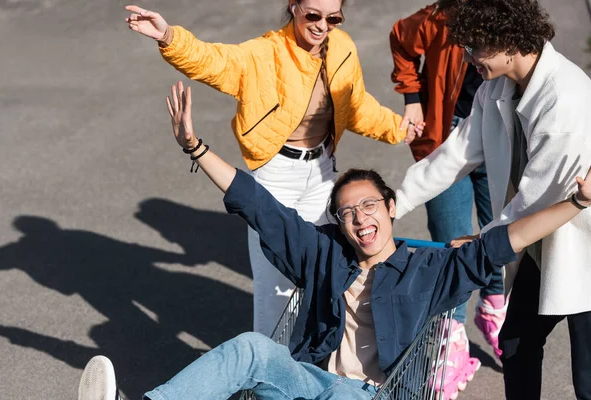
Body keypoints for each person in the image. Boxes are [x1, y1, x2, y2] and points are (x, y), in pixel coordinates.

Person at [77, 82, 591, 400]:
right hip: (306, 381)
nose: (359, 218)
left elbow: (507, 240)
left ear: (391, 209)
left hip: (369, 395)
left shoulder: (429, 271)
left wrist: (578, 204)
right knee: (253, 349)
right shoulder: (324, 255)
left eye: (369, 205)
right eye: (346, 212)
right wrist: (195, 145)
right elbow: (259, 205)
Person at [124, 1, 421, 336]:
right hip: (276, 175)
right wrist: (168, 36)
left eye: (333, 18)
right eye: (313, 15)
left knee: (332, 271)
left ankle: (321, 362)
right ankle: (266, 379)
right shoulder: (264, 54)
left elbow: (356, 105)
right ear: (293, 7)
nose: (323, 26)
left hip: (323, 173)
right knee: (275, 289)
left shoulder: (342, 48)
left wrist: (398, 128)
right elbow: (213, 61)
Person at [393, 0, 591, 398]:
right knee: (517, 343)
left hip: (581, 242)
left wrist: (482, 242)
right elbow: (457, 153)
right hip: (545, 240)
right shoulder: (496, 87)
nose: (466, 58)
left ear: (508, 41)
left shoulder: (565, 97)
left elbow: (539, 196)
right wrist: (395, 202)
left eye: (473, 47)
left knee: (587, 377)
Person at [389, 1, 503, 397]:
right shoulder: (443, 14)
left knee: (499, 237)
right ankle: (449, 340)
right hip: (448, 135)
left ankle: (494, 312)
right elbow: (401, 39)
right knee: (452, 244)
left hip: (501, 137)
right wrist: (411, 95)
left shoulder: (513, 16)